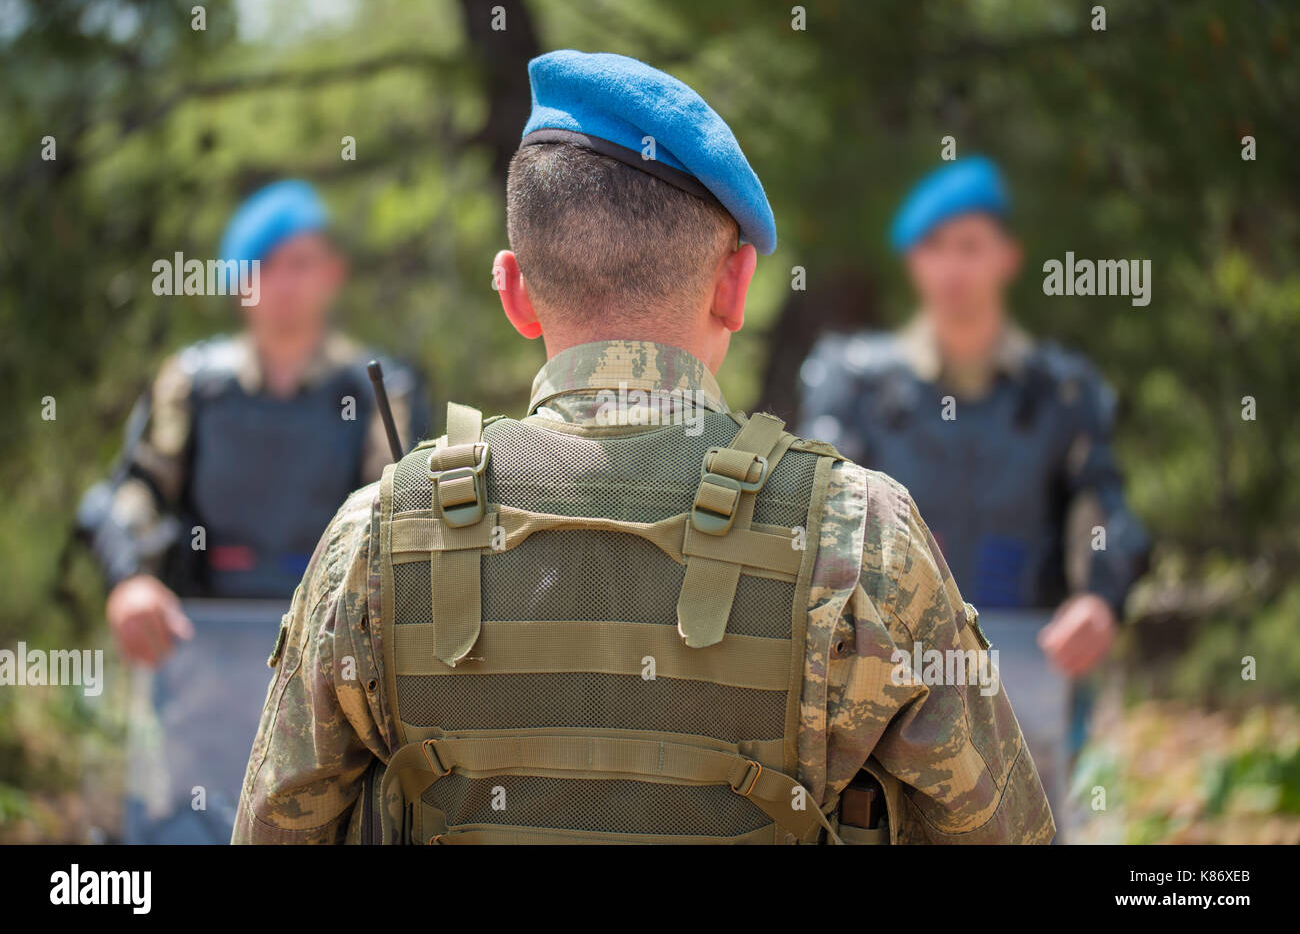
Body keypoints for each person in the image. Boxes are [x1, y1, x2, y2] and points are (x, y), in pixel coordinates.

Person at [233, 53, 1052, 845]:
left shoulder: (375, 535)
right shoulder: (863, 534)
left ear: (515, 292)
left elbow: (275, 825)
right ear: (735, 285)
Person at [798, 156, 1149, 833]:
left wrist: (1100, 597)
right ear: (912, 263)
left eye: (970, 247)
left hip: (1033, 674)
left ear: (1006, 257)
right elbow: (817, 503)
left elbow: (1104, 508)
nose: (953, 269)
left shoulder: (1061, 392)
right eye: (934, 249)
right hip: (884, 680)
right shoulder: (857, 386)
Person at [79, 180, 431, 666]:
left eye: (301, 264)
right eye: (264, 266)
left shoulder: (379, 390)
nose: (283, 284)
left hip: (337, 662)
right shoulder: (192, 387)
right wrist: (131, 579)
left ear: (333, 272)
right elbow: (133, 491)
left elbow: (404, 516)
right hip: (200, 657)